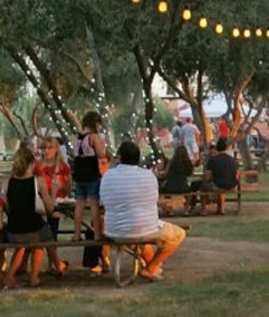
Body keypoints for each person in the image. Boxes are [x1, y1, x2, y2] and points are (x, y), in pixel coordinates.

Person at [100, 141, 188, 281]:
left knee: (140, 232)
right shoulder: (148, 175)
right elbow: (153, 200)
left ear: (119, 157)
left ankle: (151, 267)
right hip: (143, 228)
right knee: (179, 234)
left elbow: (103, 201)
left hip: (114, 231)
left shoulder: (108, 176)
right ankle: (151, 268)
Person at [3, 146, 55, 288]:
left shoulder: (8, 182)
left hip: (13, 232)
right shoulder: (38, 181)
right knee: (42, 239)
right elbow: (50, 208)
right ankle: (35, 277)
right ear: (32, 164)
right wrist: (54, 193)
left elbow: (7, 208)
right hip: (33, 231)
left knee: (22, 245)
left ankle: (10, 277)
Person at [35, 136, 72, 276]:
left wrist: (63, 185)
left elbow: (68, 189)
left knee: (53, 230)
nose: (46, 151)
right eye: (44, 148)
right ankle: (52, 263)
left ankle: (53, 262)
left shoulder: (62, 166)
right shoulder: (38, 166)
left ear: (56, 150)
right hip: (41, 203)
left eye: (50, 148)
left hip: (58, 203)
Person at [72, 110, 107, 242]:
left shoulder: (76, 137)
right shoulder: (93, 137)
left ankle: (76, 234)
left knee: (79, 205)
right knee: (94, 205)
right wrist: (102, 147)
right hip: (91, 173)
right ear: (95, 123)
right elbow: (101, 154)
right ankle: (97, 234)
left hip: (79, 173)